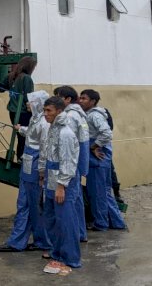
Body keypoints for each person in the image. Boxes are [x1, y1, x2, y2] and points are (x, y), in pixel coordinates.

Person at [0, 90, 51, 253]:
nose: (27, 104)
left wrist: (41, 170)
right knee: (27, 203)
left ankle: (31, 241)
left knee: (33, 204)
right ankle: (32, 241)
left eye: (30, 101)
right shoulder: (36, 118)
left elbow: (44, 148)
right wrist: (21, 129)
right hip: (28, 163)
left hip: (34, 165)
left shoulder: (44, 123)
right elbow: (33, 135)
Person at [38, 96, 80, 275]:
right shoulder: (52, 128)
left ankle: (70, 258)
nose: (45, 114)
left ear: (59, 111)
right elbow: (48, 152)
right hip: (51, 178)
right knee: (51, 218)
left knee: (65, 221)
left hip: (63, 181)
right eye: (44, 110)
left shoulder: (66, 133)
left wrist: (61, 185)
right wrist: (43, 173)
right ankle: (57, 253)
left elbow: (68, 161)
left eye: (49, 111)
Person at [78, 89, 126, 231]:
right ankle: (117, 222)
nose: (80, 100)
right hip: (100, 159)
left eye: (84, 98)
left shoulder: (94, 116)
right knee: (104, 193)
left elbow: (106, 133)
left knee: (97, 193)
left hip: (98, 160)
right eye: (80, 98)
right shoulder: (90, 114)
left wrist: (93, 146)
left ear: (92, 102)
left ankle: (101, 223)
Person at [54, 85, 89, 242]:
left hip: (70, 163)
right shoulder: (79, 115)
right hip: (78, 163)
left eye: (58, 97)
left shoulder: (69, 117)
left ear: (67, 99)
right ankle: (80, 233)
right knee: (77, 200)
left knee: (70, 202)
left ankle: (74, 235)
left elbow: (69, 144)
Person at [0, 56, 36, 161]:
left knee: (20, 136)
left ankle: (19, 158)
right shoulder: (27, 78)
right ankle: (22, 159)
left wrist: (12, 88)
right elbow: (29, 97)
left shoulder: (11, 75)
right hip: (23, 111)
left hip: (12, 111)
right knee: (25, 136)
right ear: (30, 67)